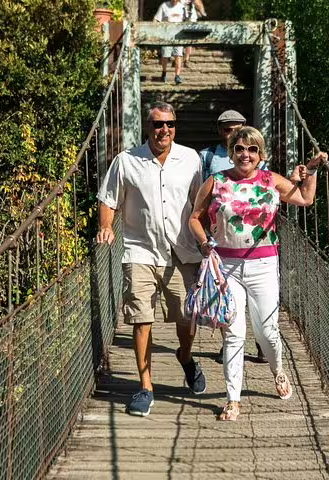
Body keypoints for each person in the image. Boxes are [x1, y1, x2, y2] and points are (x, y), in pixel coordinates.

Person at [189, 126, 328, 421]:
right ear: (231, 152)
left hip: (263, 264)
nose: (245, 155)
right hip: (225, 266)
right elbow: (194, 219)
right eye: (239, 148)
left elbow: (305, 199)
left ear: (260, 154)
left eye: (252, 150)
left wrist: (313, 170)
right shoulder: (215, 182)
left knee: (267, 333)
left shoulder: (270, 181)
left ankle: (277, 370)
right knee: (233, 334)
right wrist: (203, 243)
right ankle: (233, 399)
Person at [97, 101, 207, 417]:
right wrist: (106, 226)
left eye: (170, 124)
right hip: (139, 250)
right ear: (149, 126)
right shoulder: (126, 160)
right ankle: (145, 387)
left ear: (176, 127)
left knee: (186, 320)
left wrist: (208, 241)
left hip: (181, 251)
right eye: (158, 124)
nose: (164, 130)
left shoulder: (191, 160)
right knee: (141, 318)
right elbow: (108, 199)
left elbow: (199, 206)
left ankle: (185, 357)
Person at [199, 110, 267, 364]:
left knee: (256, 296)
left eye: (238, 128)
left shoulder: (255, 156)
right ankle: (229, 343)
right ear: (220, 131)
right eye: (228, 130)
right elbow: (200, 195)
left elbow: (269, 188)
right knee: (226, 293)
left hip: (254, 240)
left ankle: (261, 341)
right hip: (221, 237)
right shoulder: (208, 157)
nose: (233, 134)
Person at [154, 0, 186, 84]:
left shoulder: (182, 7)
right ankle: (164, 72)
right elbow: (156, 19)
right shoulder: (164, 6)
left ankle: (177, 76)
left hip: (179, 35)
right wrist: (154, 31)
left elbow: (186, 20)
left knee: (178, 55)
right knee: (165, 56)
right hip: (166, 35)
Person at [181, 0, 207, 68]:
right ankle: (177, 58)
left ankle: (186, 59)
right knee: (179, 39)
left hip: (192, 19)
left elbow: (201, 8)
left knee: (189, 40)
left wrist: (195, 2)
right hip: (180, 18)